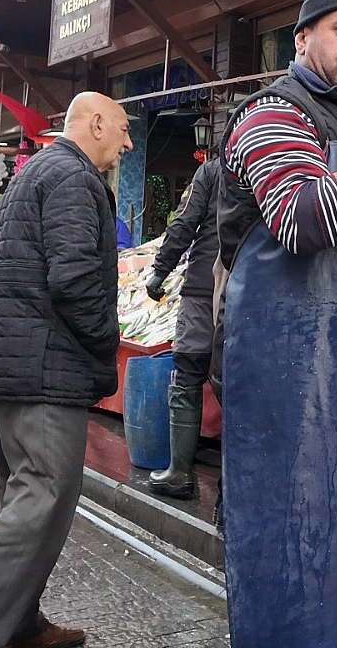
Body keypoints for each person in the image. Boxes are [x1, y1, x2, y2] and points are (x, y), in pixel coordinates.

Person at [210, 0, 337, 648]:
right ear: (302, 40)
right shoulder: (272, 114)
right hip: (282, 386)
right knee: (293, 552)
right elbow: (303, 218)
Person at [0, 92, 130, 648]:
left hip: (20, 364)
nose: (128, 142)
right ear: (94, 123)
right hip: (44, 369)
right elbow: (74, 281)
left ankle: (22, 625)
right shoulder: (72, 177)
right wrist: (106, 345)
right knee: (38, 507)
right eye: (123, 128)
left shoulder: (39, 170)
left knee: (29, 502)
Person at [143, 158, 222, 498]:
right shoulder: (283, 161)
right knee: (240, 384)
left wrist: (160, 271)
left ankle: (180, 473)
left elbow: (184, 222)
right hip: (253, 290)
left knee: (187, 374)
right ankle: (234, 483)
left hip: (204, 287)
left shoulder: (213, 170)